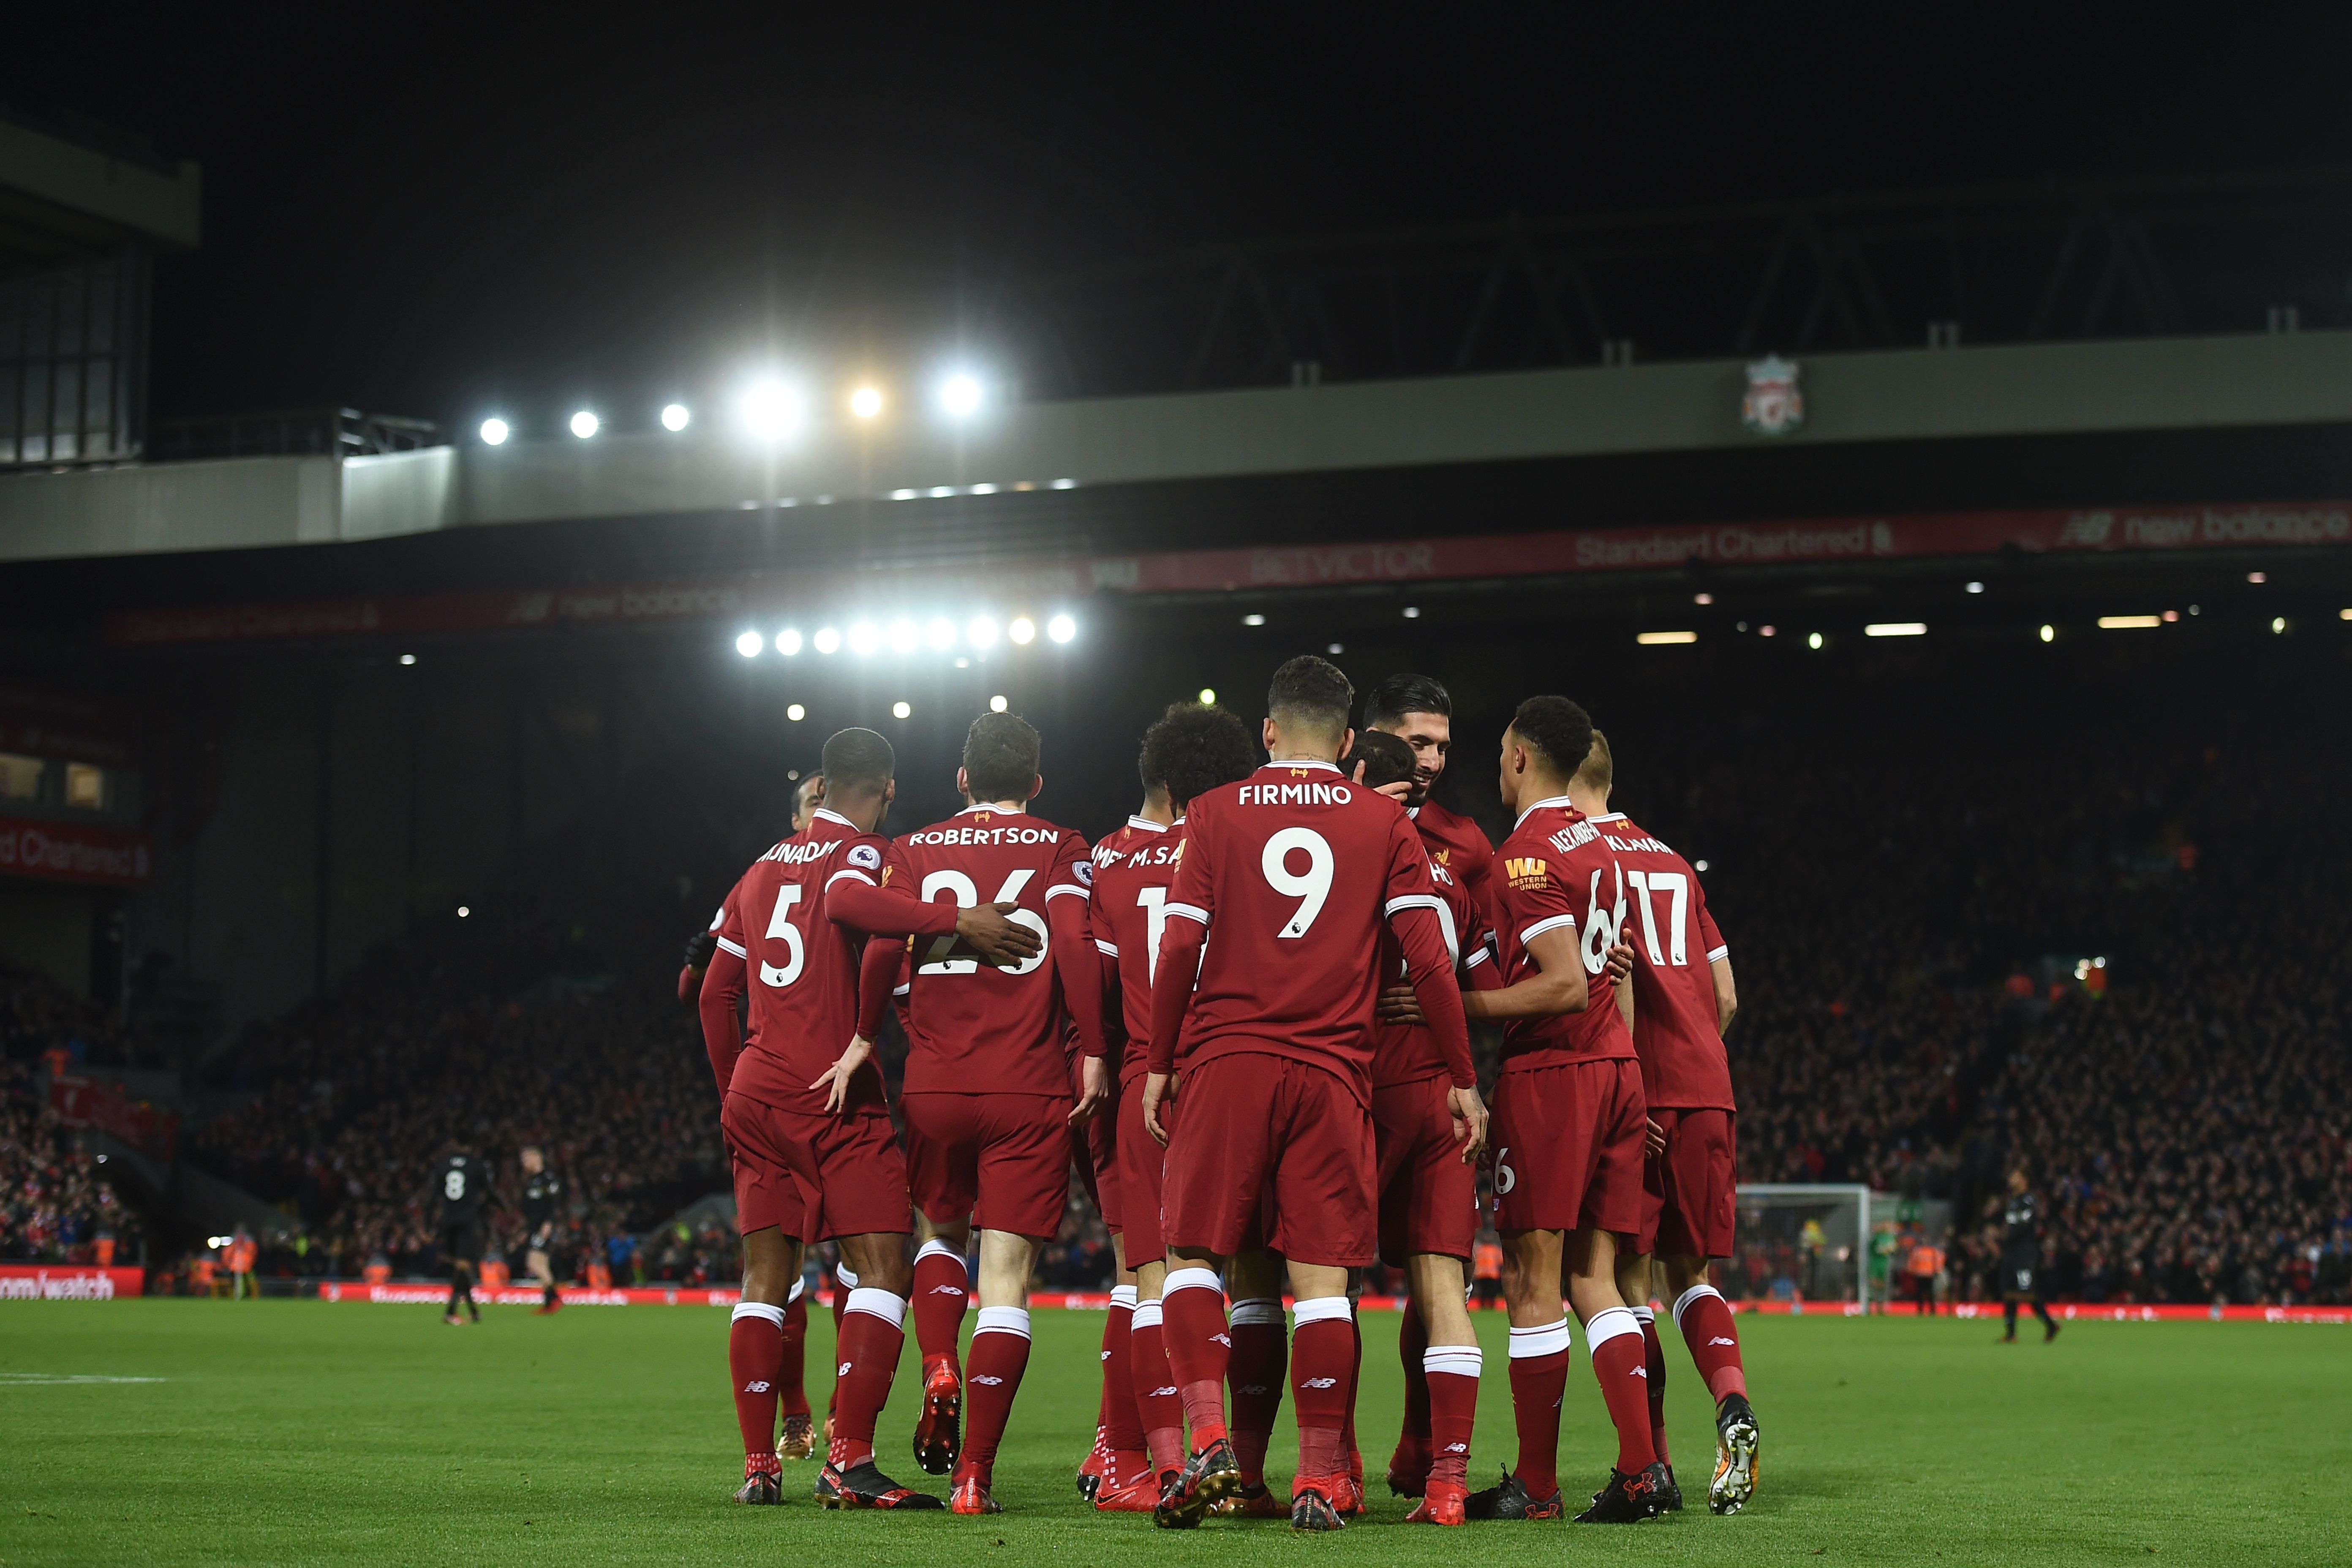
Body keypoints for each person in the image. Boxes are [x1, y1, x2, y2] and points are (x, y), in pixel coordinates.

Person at [1140, 655, 1484, 1532]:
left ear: (1267, 732)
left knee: (1190, 1256)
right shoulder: (1382, 821)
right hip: (1334, 1071)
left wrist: (1158, 1057)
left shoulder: (1213, 814)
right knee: (1324, 1284)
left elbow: (1177, 950)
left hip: (1227, 1058)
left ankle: (1211, 1438)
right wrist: (1464, 1078)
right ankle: (1318, 1475)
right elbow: (1430, 961)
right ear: (1343, 740)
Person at [698, 726, 1042, 1509]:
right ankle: (847, 1458)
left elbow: (715, 991)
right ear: (885, 790)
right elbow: (858, 907)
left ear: (820, 787)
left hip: (757, 1091)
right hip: (832, 1094)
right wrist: (957, 918)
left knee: (764, 1276)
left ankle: (760, 1465)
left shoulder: (756, 868)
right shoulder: (863, 855)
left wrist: (731, 1090)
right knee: (887, 1265)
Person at [847, 710, 1113, 1515]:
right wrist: (1094, 1047)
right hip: (1027, 1086)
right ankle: (973, 1477)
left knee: (939, 1234)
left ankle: (937, 1359)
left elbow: (879, 952)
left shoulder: (914, 850)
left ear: (959, 779)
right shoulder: (1065, 847)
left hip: (934, 1082)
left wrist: (868, 1035)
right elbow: (1070, 944)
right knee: (1006, 1280)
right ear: (1035, 784)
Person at [1467, 696, 1668, 1524]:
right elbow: (1610, 971)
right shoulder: (1608, 845)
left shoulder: (1524, 854)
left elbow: (1559, 981)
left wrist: (1454, 1004)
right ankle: (1640, 1466)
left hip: (1556, 1074)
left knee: (1531, 1277)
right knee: (1599, 1276)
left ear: (1518, 757)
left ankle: (1539, 1486)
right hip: (1617, 1067)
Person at [1565, 730, 1760, 1515]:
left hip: (1636, 1092)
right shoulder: (1675, 862)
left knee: (1618, 1283)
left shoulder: (1579, 859)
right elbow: (1728, 998)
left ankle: (1652, 1466)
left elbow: (1606, 979)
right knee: (1692, 1278)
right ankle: (1733, 1401)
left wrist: (1636, 1087)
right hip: (1708, 1085)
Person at [1083, 702, 1260, 1514]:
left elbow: (1097, 992)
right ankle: (1290, 1459)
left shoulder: (1108, 861)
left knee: (1149, 1276)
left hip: (1139, 1078)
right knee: (1239, 1276)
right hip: (1228, 1070)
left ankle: (1157, 1461)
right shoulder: (1238, 847)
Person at [1346, 728, 1495, 1527]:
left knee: (1330, 1282)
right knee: (1440, 1286)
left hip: (1357, 1085)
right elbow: (1476, 975)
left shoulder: (1348, 853)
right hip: (1440, 1088)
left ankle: (1333, 1466)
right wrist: (1466, 1079)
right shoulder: (1456, 876)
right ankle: (1445, 1481)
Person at [1361, 673, 1497, 926]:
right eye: (1418, 744)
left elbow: (1491, 952)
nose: (1433, 763)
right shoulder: (1325, 824)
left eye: (1441, 749)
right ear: (1375, 742)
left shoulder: (1467, 842)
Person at [1997, 1169, 2059, 1343]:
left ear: (2024, 1180)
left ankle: (2050, 1324)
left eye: (2015, 1175)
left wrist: (2005, 1238)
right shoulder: (2012, 1202)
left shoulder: (2029, 1201)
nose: (2011, 1178)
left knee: (2027, 1293)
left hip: (2025, 1252)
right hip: (2011, 1252)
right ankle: (2011, 1334)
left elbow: (2024, 1227)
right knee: (2008, 1292)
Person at [435, 1146, 486, 1326]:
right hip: (466, 1222)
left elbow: (434, 1195)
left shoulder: (443, 1166)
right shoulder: (476, 1167)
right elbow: (487, 1190)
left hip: (449, 1221)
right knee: (463, 1265)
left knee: (461, 1267)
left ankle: (473, 1311)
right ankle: (451, 1312)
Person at [518, 1146, 565, 1316]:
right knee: (542, 1263)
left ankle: (554, 1297)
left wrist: (549, 1223)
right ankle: (550, 1302)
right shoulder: (531, 1182)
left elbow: (554, 1203)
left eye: (526, 1160)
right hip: (534, 1227)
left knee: (533, 1262)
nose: (524, 1164)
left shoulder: (548, 1179)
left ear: (536, 1159)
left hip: (544, 1227)